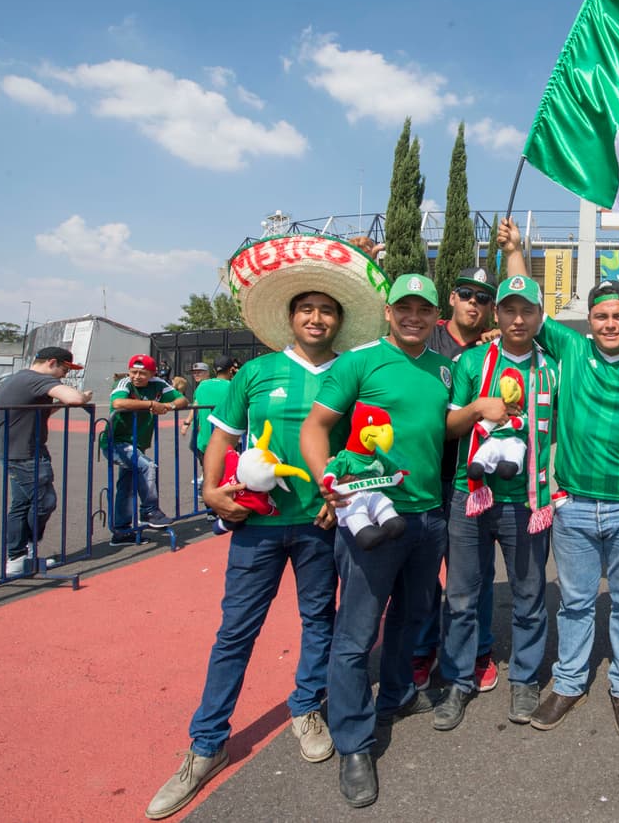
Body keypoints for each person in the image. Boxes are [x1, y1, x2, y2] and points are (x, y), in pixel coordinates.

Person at [145, 234, 388, 820]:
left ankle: (307, 705)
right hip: (256, 524)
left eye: (327, 309)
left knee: (317, 622)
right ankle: (206, 745)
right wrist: (208, 489)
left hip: (321, 522)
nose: (316, 317)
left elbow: (360, 445)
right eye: (307, 308)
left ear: (339, 320)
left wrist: (344, 496)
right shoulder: (254, 374)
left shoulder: (352, 372)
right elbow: (224, 437)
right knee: (235, 632)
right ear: (290, 315)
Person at [499, 217, 619, 739]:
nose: (609, 323)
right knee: (575, 602)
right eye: (600, 316)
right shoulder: (572, 349)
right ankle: (568, 683)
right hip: (572, 506)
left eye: (618, 315)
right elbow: (524, 300)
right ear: (588, 321)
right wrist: (516, 250)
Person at [300, 273, 451, 809]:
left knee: (412, 617)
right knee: (356, 633)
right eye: (404, 307)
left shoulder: (443, 369)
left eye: (424, 309)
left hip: (428, 516)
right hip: (369, 514)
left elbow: (439, 426)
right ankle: (354, 744)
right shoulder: (360, 361)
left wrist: (476, 414)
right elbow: (315, 428)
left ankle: (397, 696)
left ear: (437, 317)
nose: (414, 316)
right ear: (389, 312)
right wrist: (327, 481)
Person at [434, 275, 557, 731]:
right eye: (509, 309)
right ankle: (458, 680)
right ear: (497, 315)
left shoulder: (554, 368)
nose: (518, 319)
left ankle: (524, 679)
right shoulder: (471, 363)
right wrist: (476, 408)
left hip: (528, 501)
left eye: (528, 311)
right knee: (463, 595)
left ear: (540, 317)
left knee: (528, 596)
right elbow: (448, 426)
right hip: (472, 497)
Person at [414, 265, 501, 693]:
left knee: (475, 574)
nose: (474, 303)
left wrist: (514, 251)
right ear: (451, 297)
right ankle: (423, 648)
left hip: (471, 479)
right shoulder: (426, 337)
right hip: (424, 475)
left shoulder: (495, 347)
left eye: (483, 298)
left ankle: (480, 649)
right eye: (467, 293)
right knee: (422, 572)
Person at [0, 347, 92, 577]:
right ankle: (25, 549)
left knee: (21, 504)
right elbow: (74, 397)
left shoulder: (20, 379)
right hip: (26, 454)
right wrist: (82, 397)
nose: (64, 375)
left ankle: (17, 557)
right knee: (45, 501)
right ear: (51, 363)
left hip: (18, 450)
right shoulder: (35, 379)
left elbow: (41, 408)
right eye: (65, 369)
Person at [104, 354, 188, 545]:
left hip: (137, 443)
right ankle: (149, 510)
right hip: (116, 441)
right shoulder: (124, 383)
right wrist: (151, 404)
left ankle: (121, 531)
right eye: (134, 372)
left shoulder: (158, 383)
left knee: (126, 487)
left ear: (152, 373)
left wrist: (168, 405)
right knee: (147, 467)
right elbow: (118, 403)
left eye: (143, 373)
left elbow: (182, 400)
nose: (137, 376)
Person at [184, 355, 239, 467]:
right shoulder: (234, 386)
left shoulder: (202, 386)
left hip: (204, 442)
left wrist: (187, 423)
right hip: (226, 443)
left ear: (214, 370)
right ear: (231, 369)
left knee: (208, 476)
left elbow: (196, 406)